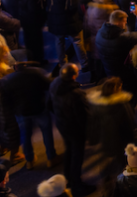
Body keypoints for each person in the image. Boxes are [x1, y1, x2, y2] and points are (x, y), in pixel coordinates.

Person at [0, 60, 57, 169]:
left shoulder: (8, 80)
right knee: (47, 133)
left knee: (26, 137)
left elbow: (5, 100)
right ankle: (51, 158)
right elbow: (48, 85)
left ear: (15, 68)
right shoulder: (35, 73)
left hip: (22, 113)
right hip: (39, 109)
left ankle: (29, 161)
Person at [48, 63, 89, 192]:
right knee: (77, 154)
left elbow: (48, 104)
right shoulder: (76, 94)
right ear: (73, 76)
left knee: (69, 151)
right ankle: (77, 185)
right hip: (75, 129)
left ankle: (68, 178)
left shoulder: (54, 85)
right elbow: (83, 117)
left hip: (62, 124)